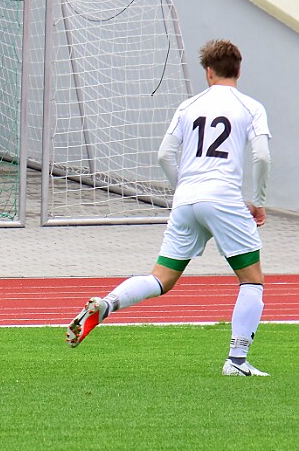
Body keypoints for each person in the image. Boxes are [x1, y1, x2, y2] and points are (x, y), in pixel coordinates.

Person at [66, 39, 272, 377]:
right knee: (252, 280)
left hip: (187, 198)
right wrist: (259, 202)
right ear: (238, 68)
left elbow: (164, 155)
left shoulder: (188, 106)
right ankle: (236, 361)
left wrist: (185, 188)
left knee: (161, 278)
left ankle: (107, 304)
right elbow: (262, 156)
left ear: (208, 71)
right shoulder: (250, 107)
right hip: (223, 197)